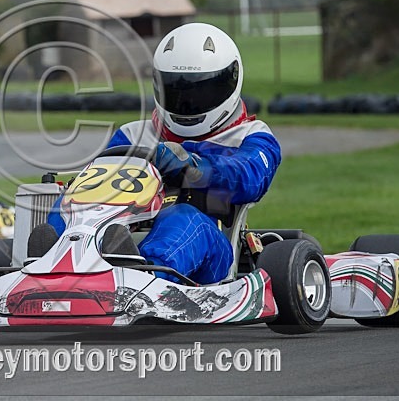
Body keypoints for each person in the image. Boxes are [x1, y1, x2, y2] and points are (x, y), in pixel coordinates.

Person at [51, 22, 282, 284]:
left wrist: (193, 165)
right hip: (129, 231)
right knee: (72, 202)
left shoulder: (251, 136)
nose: (187, 102)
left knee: (181, 217)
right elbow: (98, 180)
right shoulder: (132, 134)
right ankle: (50, 263)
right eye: (176, 90)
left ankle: (147, 277)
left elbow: (249, 178)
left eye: (201, 90)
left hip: (210, 248)